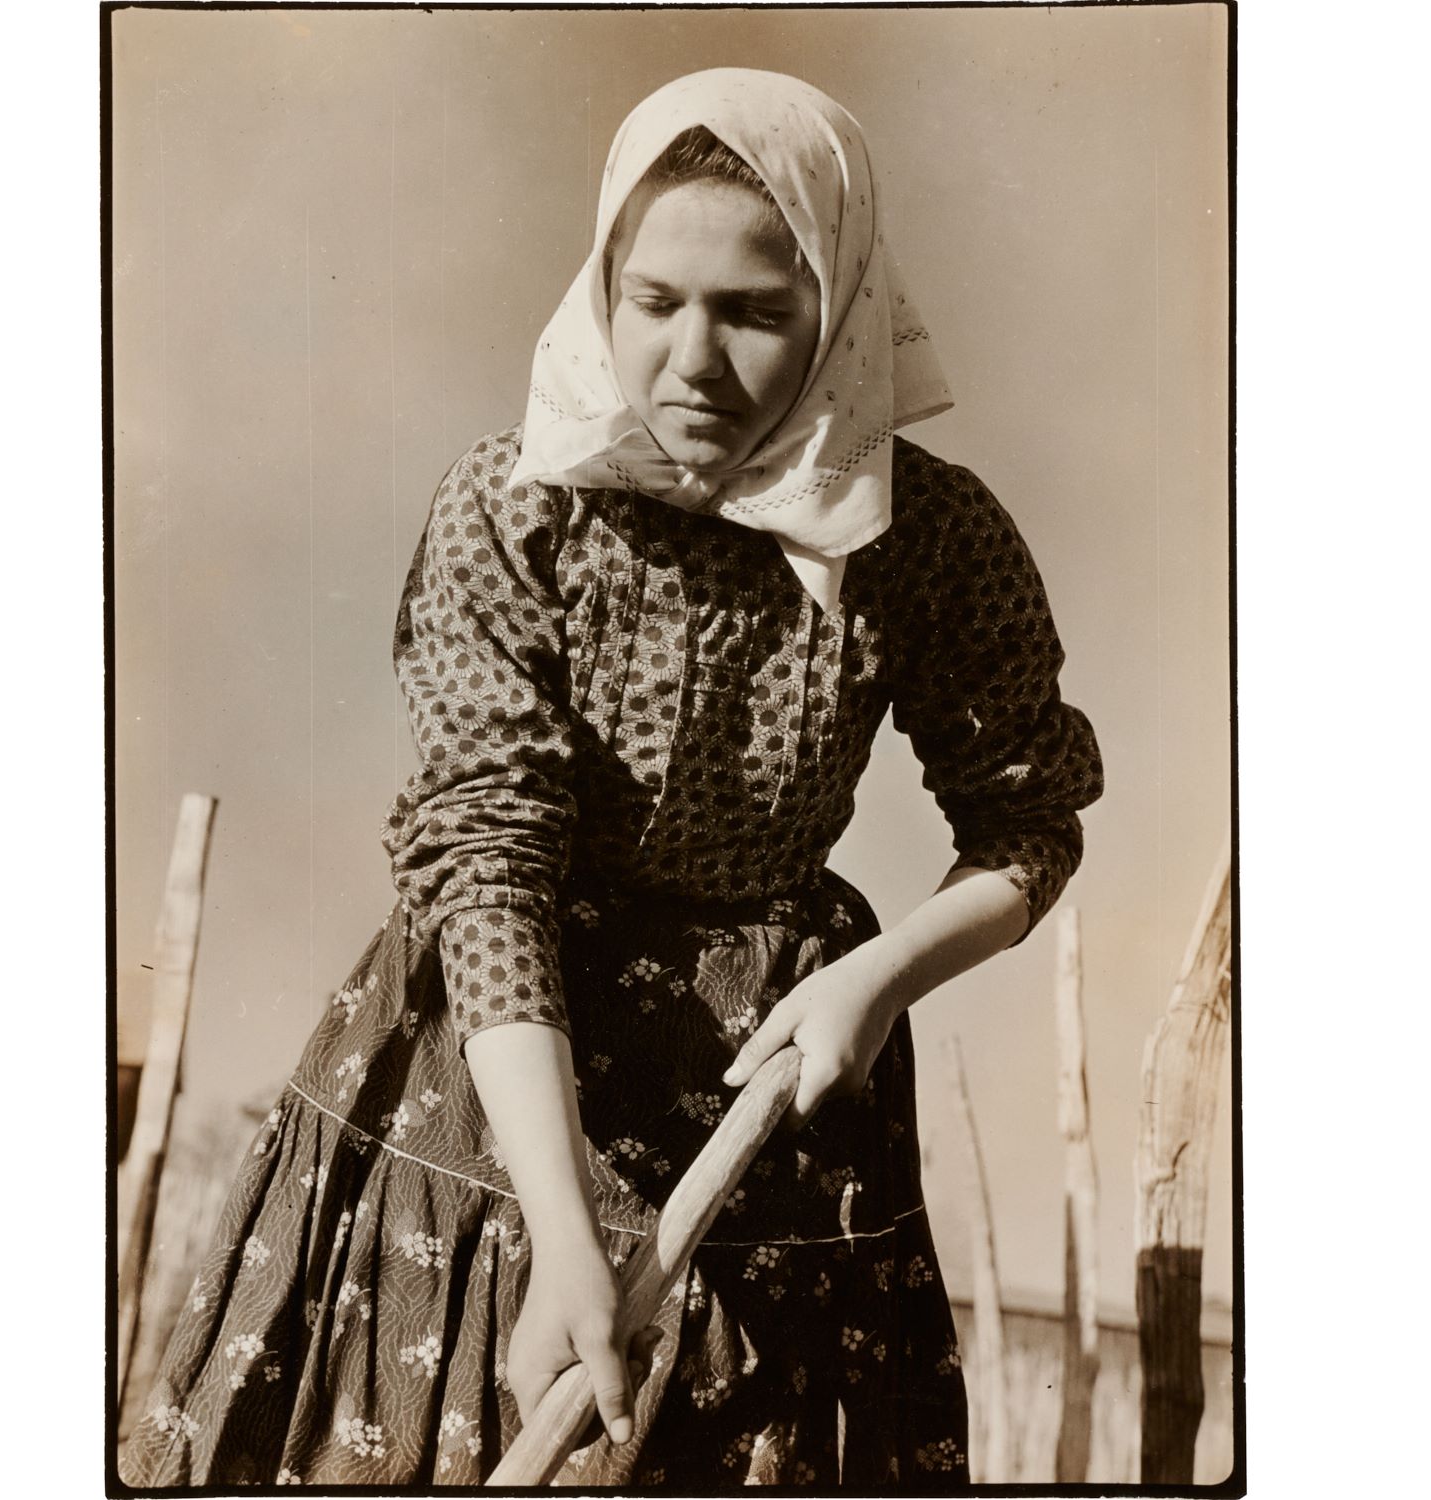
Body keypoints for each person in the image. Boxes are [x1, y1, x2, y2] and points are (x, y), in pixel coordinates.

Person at [119, 68, 1102, 1489]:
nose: (694, 360)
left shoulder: (930, 539)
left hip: (774, 1091)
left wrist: (872, 983)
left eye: (757, 314)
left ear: (840, 311)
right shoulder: (517, 505)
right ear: (604, 288)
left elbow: (1028, 822)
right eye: (655, 302)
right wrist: (570, 1239)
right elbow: (489, 863)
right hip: (496, 1065)